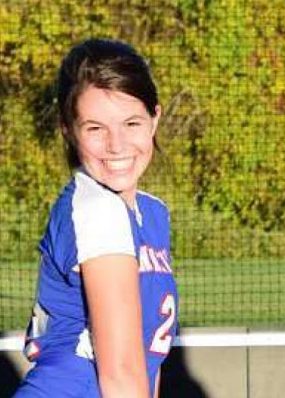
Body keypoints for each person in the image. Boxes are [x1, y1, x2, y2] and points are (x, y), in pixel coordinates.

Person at [14, 39, 178, 398]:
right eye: (95, 128)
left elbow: (145, 364)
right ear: (68, 130)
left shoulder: (151, 213)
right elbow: (120, 376)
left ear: (155, 119)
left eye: (131, 123)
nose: (116, 145)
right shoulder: (97, 210)